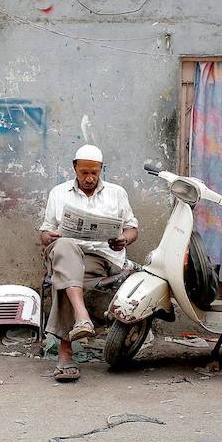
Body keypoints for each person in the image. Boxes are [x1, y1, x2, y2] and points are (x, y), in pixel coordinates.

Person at [39, 144, 139, 382]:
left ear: (101, 169)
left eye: (94, 172)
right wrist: (49, 237)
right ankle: (82, 317)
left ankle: (65, 354)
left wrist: (124, 239)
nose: (89, 178)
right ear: (75, 168)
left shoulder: (116, 193)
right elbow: (45, 233)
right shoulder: (59, 193)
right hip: (66, 253)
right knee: (64, 248)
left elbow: (132, 228)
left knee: (64, 277)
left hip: (99, 259)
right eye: (84, 172)